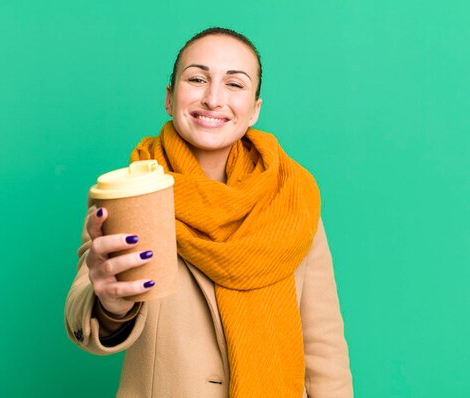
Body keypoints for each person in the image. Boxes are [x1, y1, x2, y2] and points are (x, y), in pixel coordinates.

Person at [65, 27, 353, 398]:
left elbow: (323, 347)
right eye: (197, 79)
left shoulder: (291, 196)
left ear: (254, 110)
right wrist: (109, 303)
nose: (213, 99)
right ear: (169, 98)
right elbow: (83, 307)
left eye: (235, 84)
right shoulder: (127, 193)